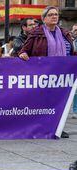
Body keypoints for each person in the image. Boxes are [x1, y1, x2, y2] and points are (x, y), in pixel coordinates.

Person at [19, 6, 75, 138]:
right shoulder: (36, 33)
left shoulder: (65, 33)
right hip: (43, 74)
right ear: (44, 19)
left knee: (60, 102)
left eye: (56, 14)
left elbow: (71, 52)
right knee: (43, 102)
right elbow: (23, 50)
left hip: (62, 75)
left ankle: (58, 128)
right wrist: (23, 54)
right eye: (50, 15)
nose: (54, 17)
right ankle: (40, 127)